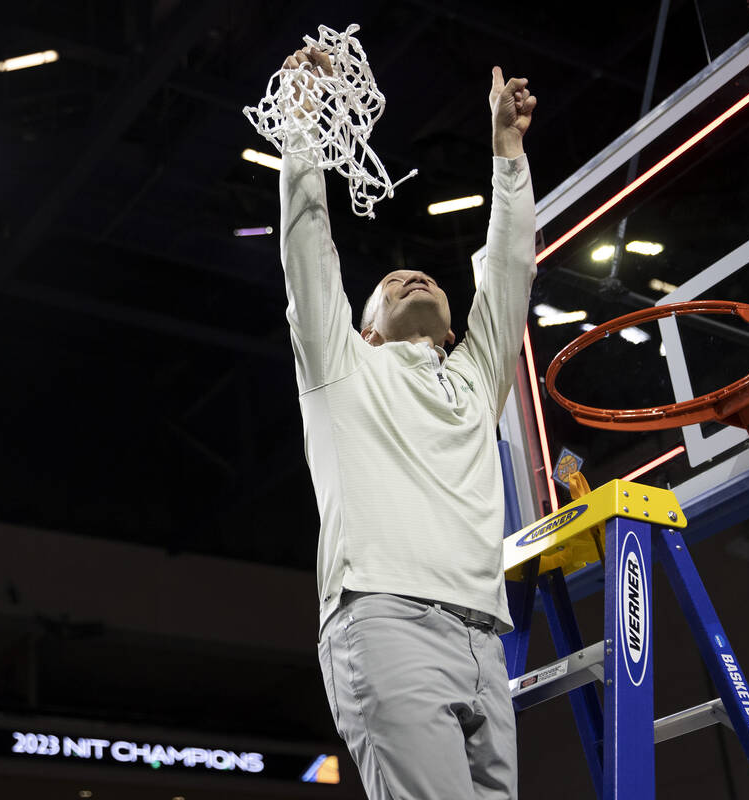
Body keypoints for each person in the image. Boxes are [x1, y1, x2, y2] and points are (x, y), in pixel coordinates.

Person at [278, 45, 538, 800]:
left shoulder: (472, 379)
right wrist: (301, 123)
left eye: (421, 275)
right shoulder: (343, 369)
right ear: (362, 331)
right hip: (385, 619)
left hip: (485, 637)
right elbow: (306, 250)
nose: (409, 276)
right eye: (388, 283)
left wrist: (508, 154)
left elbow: (512, 271)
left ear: (455, 329)